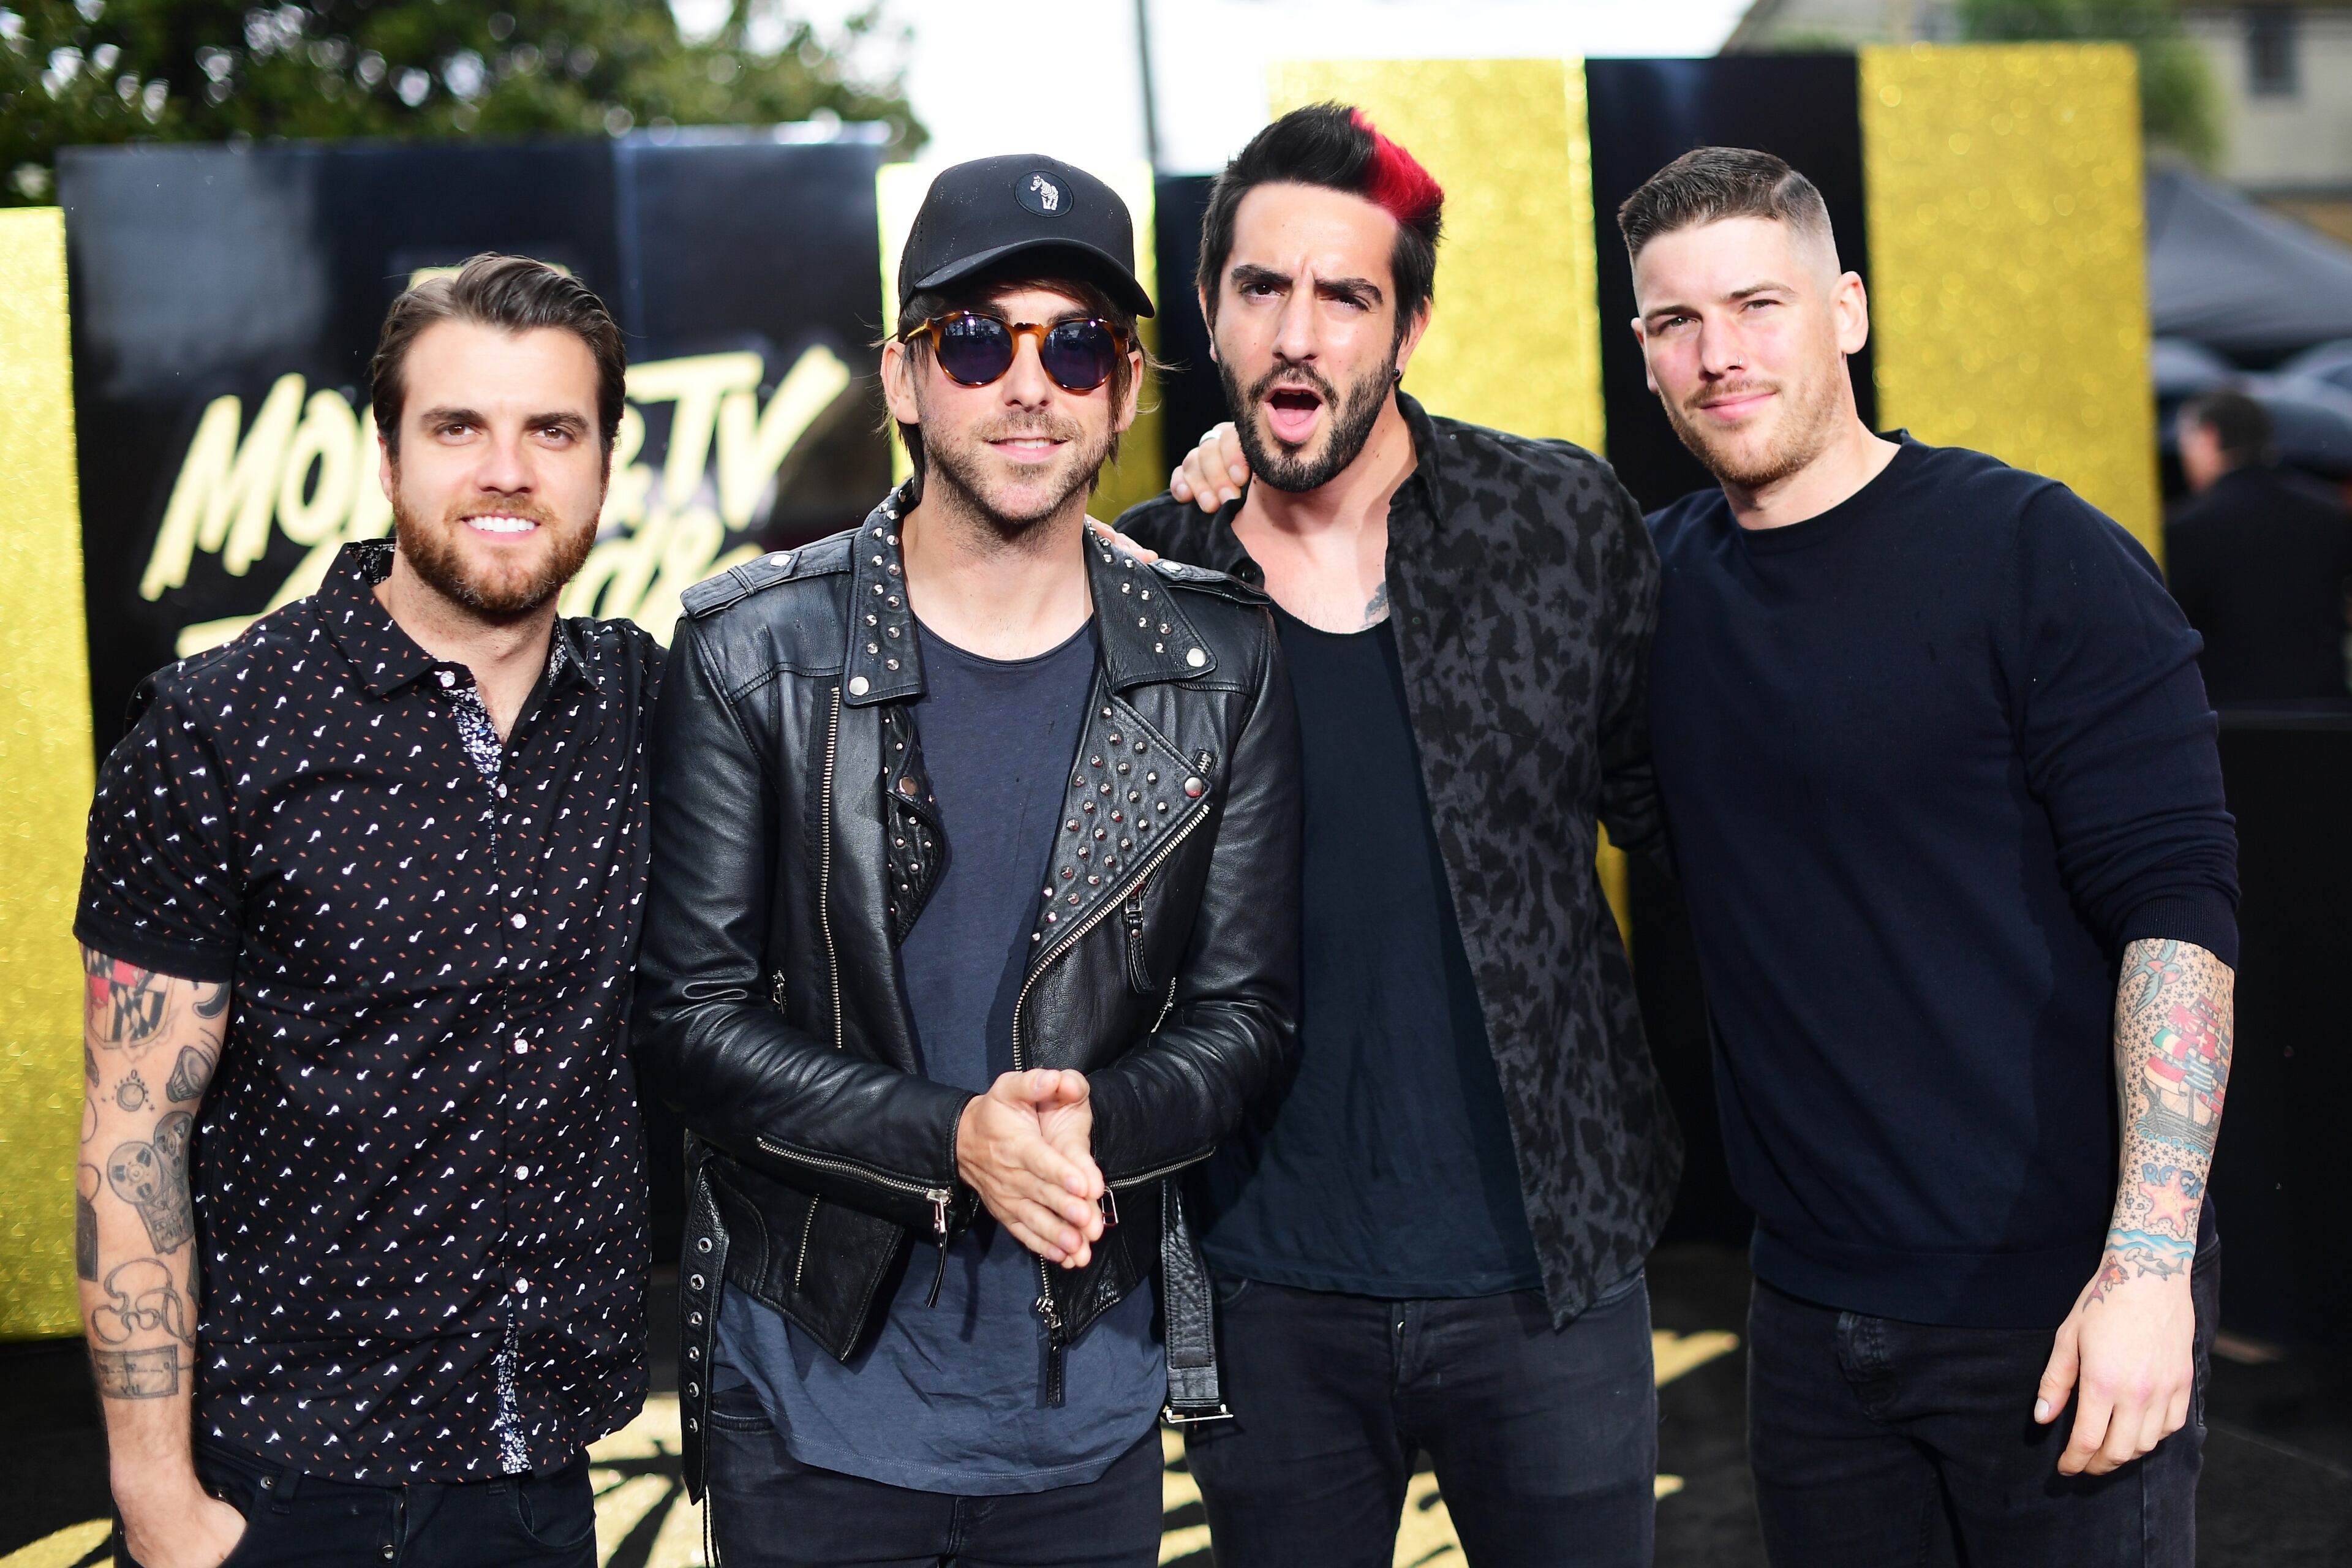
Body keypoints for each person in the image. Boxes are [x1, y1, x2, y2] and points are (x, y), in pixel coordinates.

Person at [1172, 143, 2240, 1568]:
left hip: (2048, 1303)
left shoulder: (2037, 555)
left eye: (1758, 305)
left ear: (1847, 309)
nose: (1719, 354)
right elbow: (1421, 507)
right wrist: (1257, 443)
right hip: (1803, 1317)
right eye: (1677, 322)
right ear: (1642, 351)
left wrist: (2147, 1265)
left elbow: (2177, 909)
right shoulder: (1639, 574)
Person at [630, 153, 1301, 1568]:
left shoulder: (1216, 657)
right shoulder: (753, 648)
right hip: (809, 1400)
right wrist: (955, 1139)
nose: (1026, 385)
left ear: (1123, 388)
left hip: (1086, 1407)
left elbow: (1247, 1020)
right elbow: (684, 1023)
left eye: (1074, 345)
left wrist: (1089, 1122)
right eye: (978, 340)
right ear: (902, 376)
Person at [1116, 104, 1676, 1568]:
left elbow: (1674, 811)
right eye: (1261, 289)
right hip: (1259, 1288)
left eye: (1344, 295)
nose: (1298, 334)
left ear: (1408, 324)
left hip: (1546, 1272)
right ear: (1211, 310)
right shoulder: (1140, 588)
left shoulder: (1559, 520)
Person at [74, 254, 661, 1568]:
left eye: (550, 429)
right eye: (458, 426)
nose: (507, 469)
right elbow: (130, 1147)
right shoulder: (217, 731)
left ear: (606, 462)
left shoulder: (649, 705)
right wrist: (162, 1508)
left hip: (553, 1474)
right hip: (290, 1485)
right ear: (384, 454)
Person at [2166, 388, 2352, 706]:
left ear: (2209, 437)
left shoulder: (2185, 526)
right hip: (2325, 711)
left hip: (2234, 719)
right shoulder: (2329, 511)